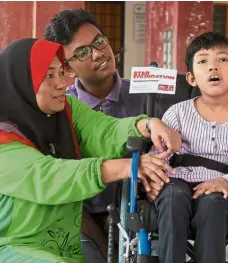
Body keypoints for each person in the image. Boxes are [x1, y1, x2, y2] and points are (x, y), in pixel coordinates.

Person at [0, 38, 180, 263]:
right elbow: (49, 178)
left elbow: (102, 130)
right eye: (48, 75)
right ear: (22, 82)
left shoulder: (63, 108)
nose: (61, 83)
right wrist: (127, 167)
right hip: (2, 248)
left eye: (60, 72)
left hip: (60, 248)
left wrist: (147, 125)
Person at [149, 32, 228, 263]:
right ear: (191, 78)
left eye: (222, 60)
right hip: (177, 180)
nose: (213, 68)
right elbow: (158, 154)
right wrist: (155, 180)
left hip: (221, 186)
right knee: (172, 196)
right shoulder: (177, 113)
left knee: (213, 203)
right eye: (203, 61)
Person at [43, 9, 147, 262]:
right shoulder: (60, 108)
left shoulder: (146, 97)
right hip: (82, 218)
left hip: (142, 214)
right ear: (66, 66)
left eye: (99, 41)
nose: (99, 53)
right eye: (83, 52)